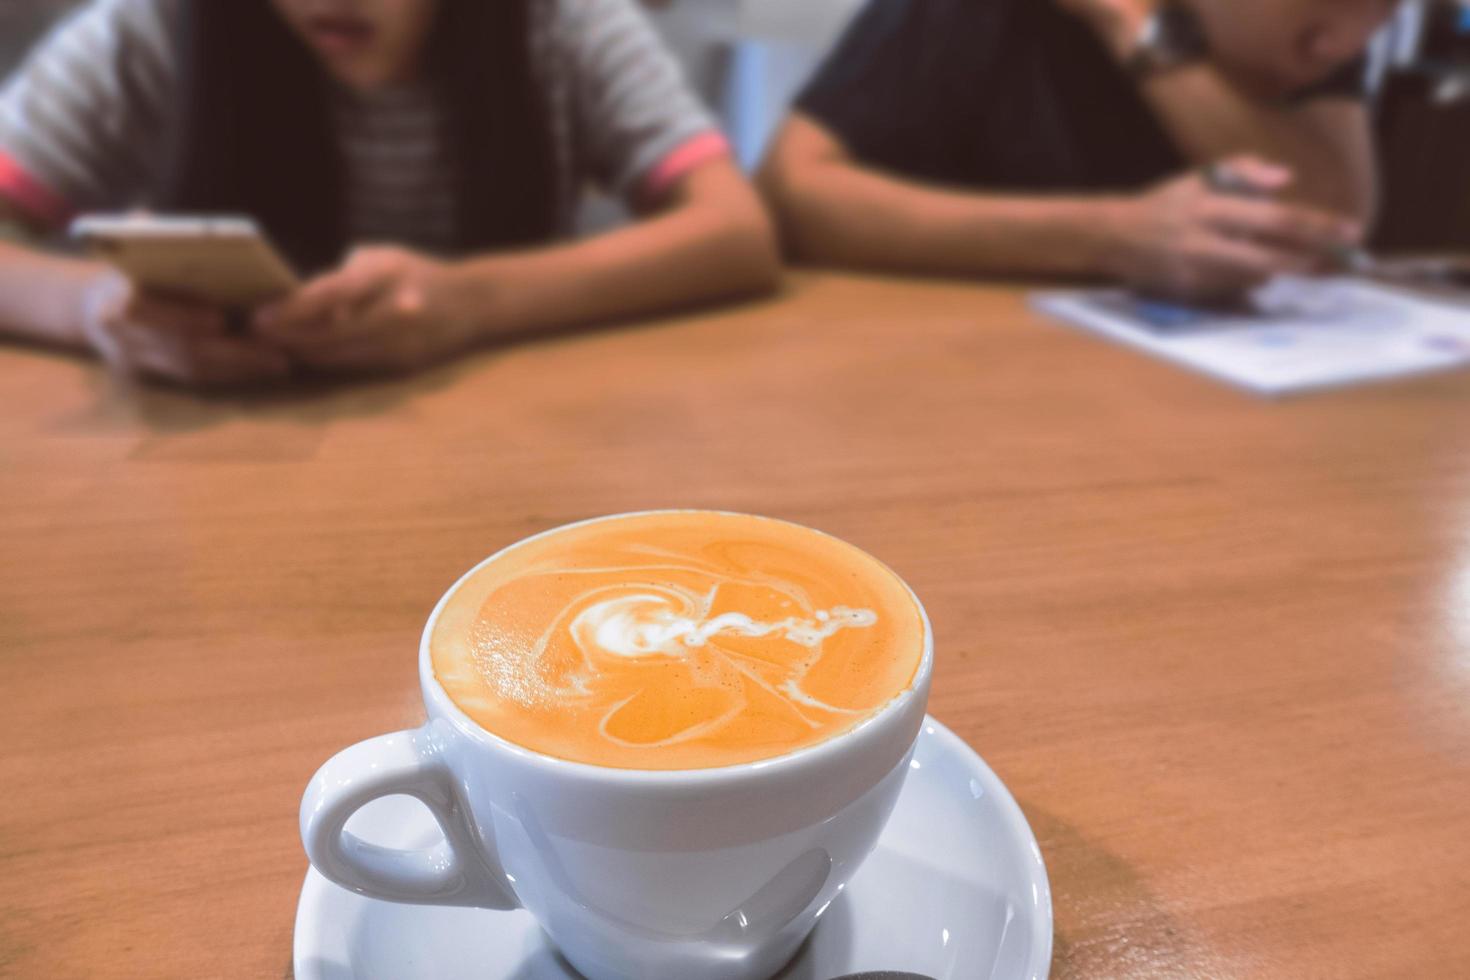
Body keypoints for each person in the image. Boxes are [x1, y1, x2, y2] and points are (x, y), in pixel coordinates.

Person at [0, 0, 779, 386]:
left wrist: (475, 300)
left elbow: (735, 231)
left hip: (510, 462)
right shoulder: (155, 29)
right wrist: (91, 308)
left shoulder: (560, 24)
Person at [759, 0, 1398, 302]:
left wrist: (1132, 26)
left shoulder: (1321, 32)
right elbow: (789, 191)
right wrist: (1112, 235)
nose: (1344, 43)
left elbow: (1326, 223)